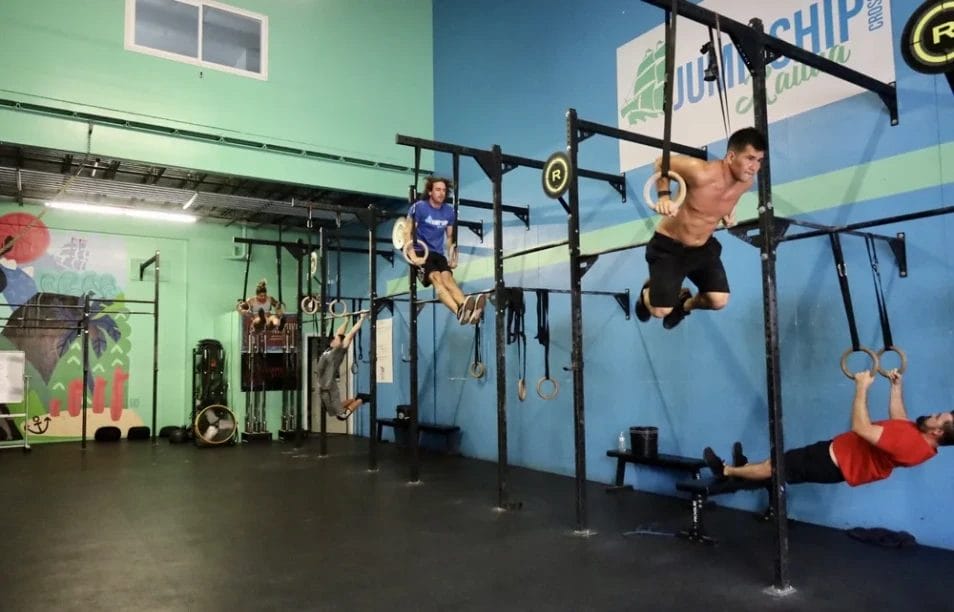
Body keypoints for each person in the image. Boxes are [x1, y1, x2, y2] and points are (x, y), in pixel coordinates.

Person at [703, 370, 953, 487]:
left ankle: (726, 472)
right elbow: (900, 422)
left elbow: (861, 428)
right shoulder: (921, 442)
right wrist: (896, 388)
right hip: (834, 454)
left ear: (937, 432)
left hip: (831, 463)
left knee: (774, 467)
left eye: (937, 417)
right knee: (776, 462)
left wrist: (861, 388)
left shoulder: (911, 445)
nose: (932, 414)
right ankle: (742, 469)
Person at [635, 127, 766, 329]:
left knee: (718, 300)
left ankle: (684, 305)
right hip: (670, 247)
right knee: (660, 311)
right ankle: (647, 292)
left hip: (702, 248)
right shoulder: (701, 172)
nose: (754, 167)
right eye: (749, 158)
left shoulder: (746, 183)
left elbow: (724, 199)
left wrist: (729, 213)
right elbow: (661, 163)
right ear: (731, 157)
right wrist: (664, 197)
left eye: (759, 160)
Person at [405, 176, 485, 325]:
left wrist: (452, 256)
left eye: (443, 190)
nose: (441, 193)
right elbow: (407, 232)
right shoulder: (419, 208)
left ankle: (466, 308)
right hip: (421, 252)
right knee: (437, 278)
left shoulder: (448, 212)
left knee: (448, 279)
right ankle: (458, 311)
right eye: (437, 189)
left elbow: (449, 238)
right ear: (430, 192)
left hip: (438, 254)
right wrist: (413, 256)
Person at [316, 315, 368, 421]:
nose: (335, 339)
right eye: (335, 339)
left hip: (329, 385)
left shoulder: (340, 350)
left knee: (341, 416)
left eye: (337, 339)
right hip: (324, 384)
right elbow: (339, 333)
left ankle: (361, 399)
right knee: (331, 409)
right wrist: (346, 320)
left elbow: (351, 333)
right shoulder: (329, 349)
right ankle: (356, 398)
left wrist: (362, 318)